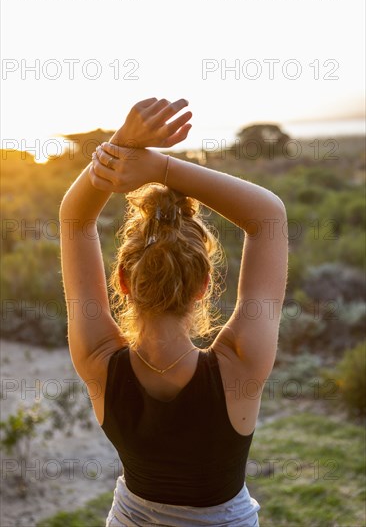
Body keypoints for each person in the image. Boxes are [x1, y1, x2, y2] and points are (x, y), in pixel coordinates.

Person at [59, 97, 288, 526]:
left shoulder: (98, 361)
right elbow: (268, 217)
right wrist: (161, 168)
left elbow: (75, 220)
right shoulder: (241, 365)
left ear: (123, 283)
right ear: (203, 287)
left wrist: (122, 144)